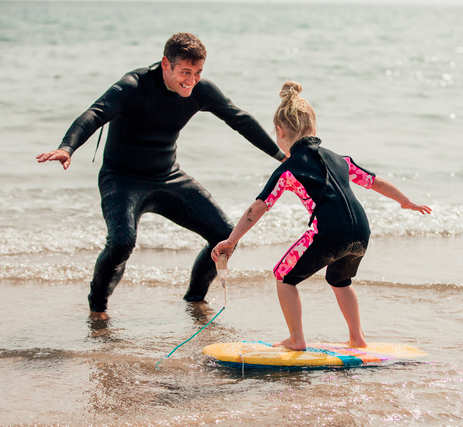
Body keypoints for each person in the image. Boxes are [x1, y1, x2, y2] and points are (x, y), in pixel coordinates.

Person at [36, 33, 286, 319]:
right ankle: (97, 309)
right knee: (121, 242)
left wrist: (282, 157)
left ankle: (195, 300)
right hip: (121, 179)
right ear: (166, 64)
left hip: (168, 177)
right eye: (185, 72)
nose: (192, 80)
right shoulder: (133, 86)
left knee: (224, 235)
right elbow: (95, 113)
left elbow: (239, 119)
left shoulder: (201, 91)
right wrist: (67, 148)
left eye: (198, 72)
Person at [211, 81, 432, 351]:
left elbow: (258, 208)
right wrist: (406, 201)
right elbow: (374, 181)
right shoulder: (340, 159)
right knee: (340, 280)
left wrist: (232, 240)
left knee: (284, 276)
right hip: (361, 231)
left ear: (280, 132)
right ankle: (357, 338)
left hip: (328, 231)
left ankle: (296, 339)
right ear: (313, 128)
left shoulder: (289, 168)